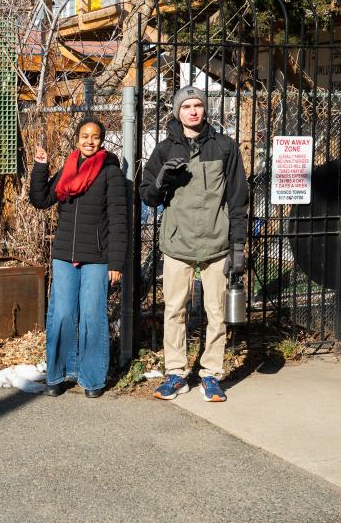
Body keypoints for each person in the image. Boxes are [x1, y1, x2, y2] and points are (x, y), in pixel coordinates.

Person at [139, 86, 248, 402]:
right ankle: (175, 374)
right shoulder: (163, 150)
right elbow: (147, 194)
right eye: (186, 106)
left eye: (198, 104)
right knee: (174, 310)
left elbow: (238, 199)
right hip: (178, 243)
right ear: (177, 111)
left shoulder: (225, 147)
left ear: (205, 108)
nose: (193, 111)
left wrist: (238, 245)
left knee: (216, 312)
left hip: (216, 243)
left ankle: (210, 375)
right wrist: (161, 180)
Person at [29, 117, 127, 398]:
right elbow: (41, 200)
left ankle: (92, 379)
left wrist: (116, 263)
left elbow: (119, 221)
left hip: (97, 257)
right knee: (60, 316)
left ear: (102, 141)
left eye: (95, 136)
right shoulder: (67, 169)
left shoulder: (111, 174)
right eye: (84, 135)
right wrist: (40, 167)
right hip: (64, 255)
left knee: (92, 317)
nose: (89, 140)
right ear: (77, 138)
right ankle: (57, 375)